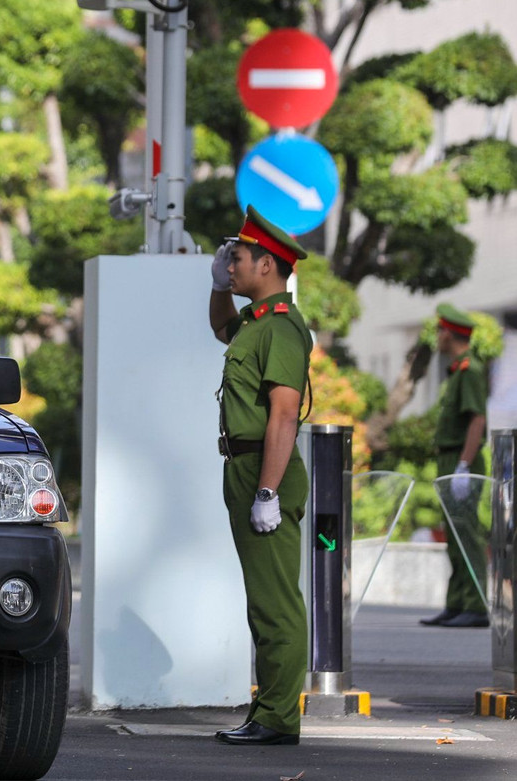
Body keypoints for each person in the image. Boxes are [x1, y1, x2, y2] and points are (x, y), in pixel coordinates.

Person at [207, 205, 312, 747]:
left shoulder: (283, 328)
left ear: (267, 265)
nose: (231, 266)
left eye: (239, 259)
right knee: (262, 601)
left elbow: (285, 415)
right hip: (244, 467)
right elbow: (219, 326)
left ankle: (277, 717)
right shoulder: (255, 322)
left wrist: (267, 490)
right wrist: (216, 284)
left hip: (264, 470)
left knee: (276, 605)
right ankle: (267, 708)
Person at [421, 303, 490, 629]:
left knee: (467, 534)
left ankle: (475, 605)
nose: (437, 336)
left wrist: (463, 465)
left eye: (439, 331)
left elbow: (477, 420)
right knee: (454, 535)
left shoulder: (470, 370)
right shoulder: (459, 369)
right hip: (451, 457)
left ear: (449, 334)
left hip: (463, 457)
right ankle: (457, 603)